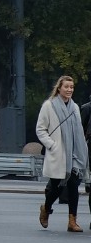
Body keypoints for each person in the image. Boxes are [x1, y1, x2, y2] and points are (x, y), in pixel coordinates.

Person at [36, 74, 86, 232]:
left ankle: (72, 221)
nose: (69, 90)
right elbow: (40, 129)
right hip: (59, 154)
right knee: (56, 188)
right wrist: (52, 145)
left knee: (73, 187)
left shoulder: (75, 107)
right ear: (59, 88)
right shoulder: (49, 106)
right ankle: (46, 208)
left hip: (75, 155)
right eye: (66, 87)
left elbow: (78, 131)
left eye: (72, 87)